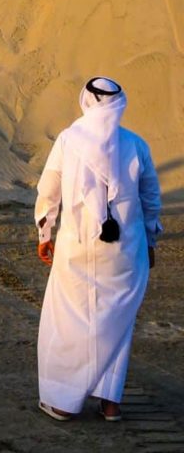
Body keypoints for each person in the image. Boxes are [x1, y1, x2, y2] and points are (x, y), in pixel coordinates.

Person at [35, 76, 162, 422]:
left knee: (69, 322)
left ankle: (63, 402)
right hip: (127, 251)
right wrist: (150, 241)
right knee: (117, 323)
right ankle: (110, 404)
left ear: (88, 101)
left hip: (77, 249)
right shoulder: (136, 144)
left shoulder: (67, 141)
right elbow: (151, 198)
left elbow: (50, 189)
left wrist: (45, 232)